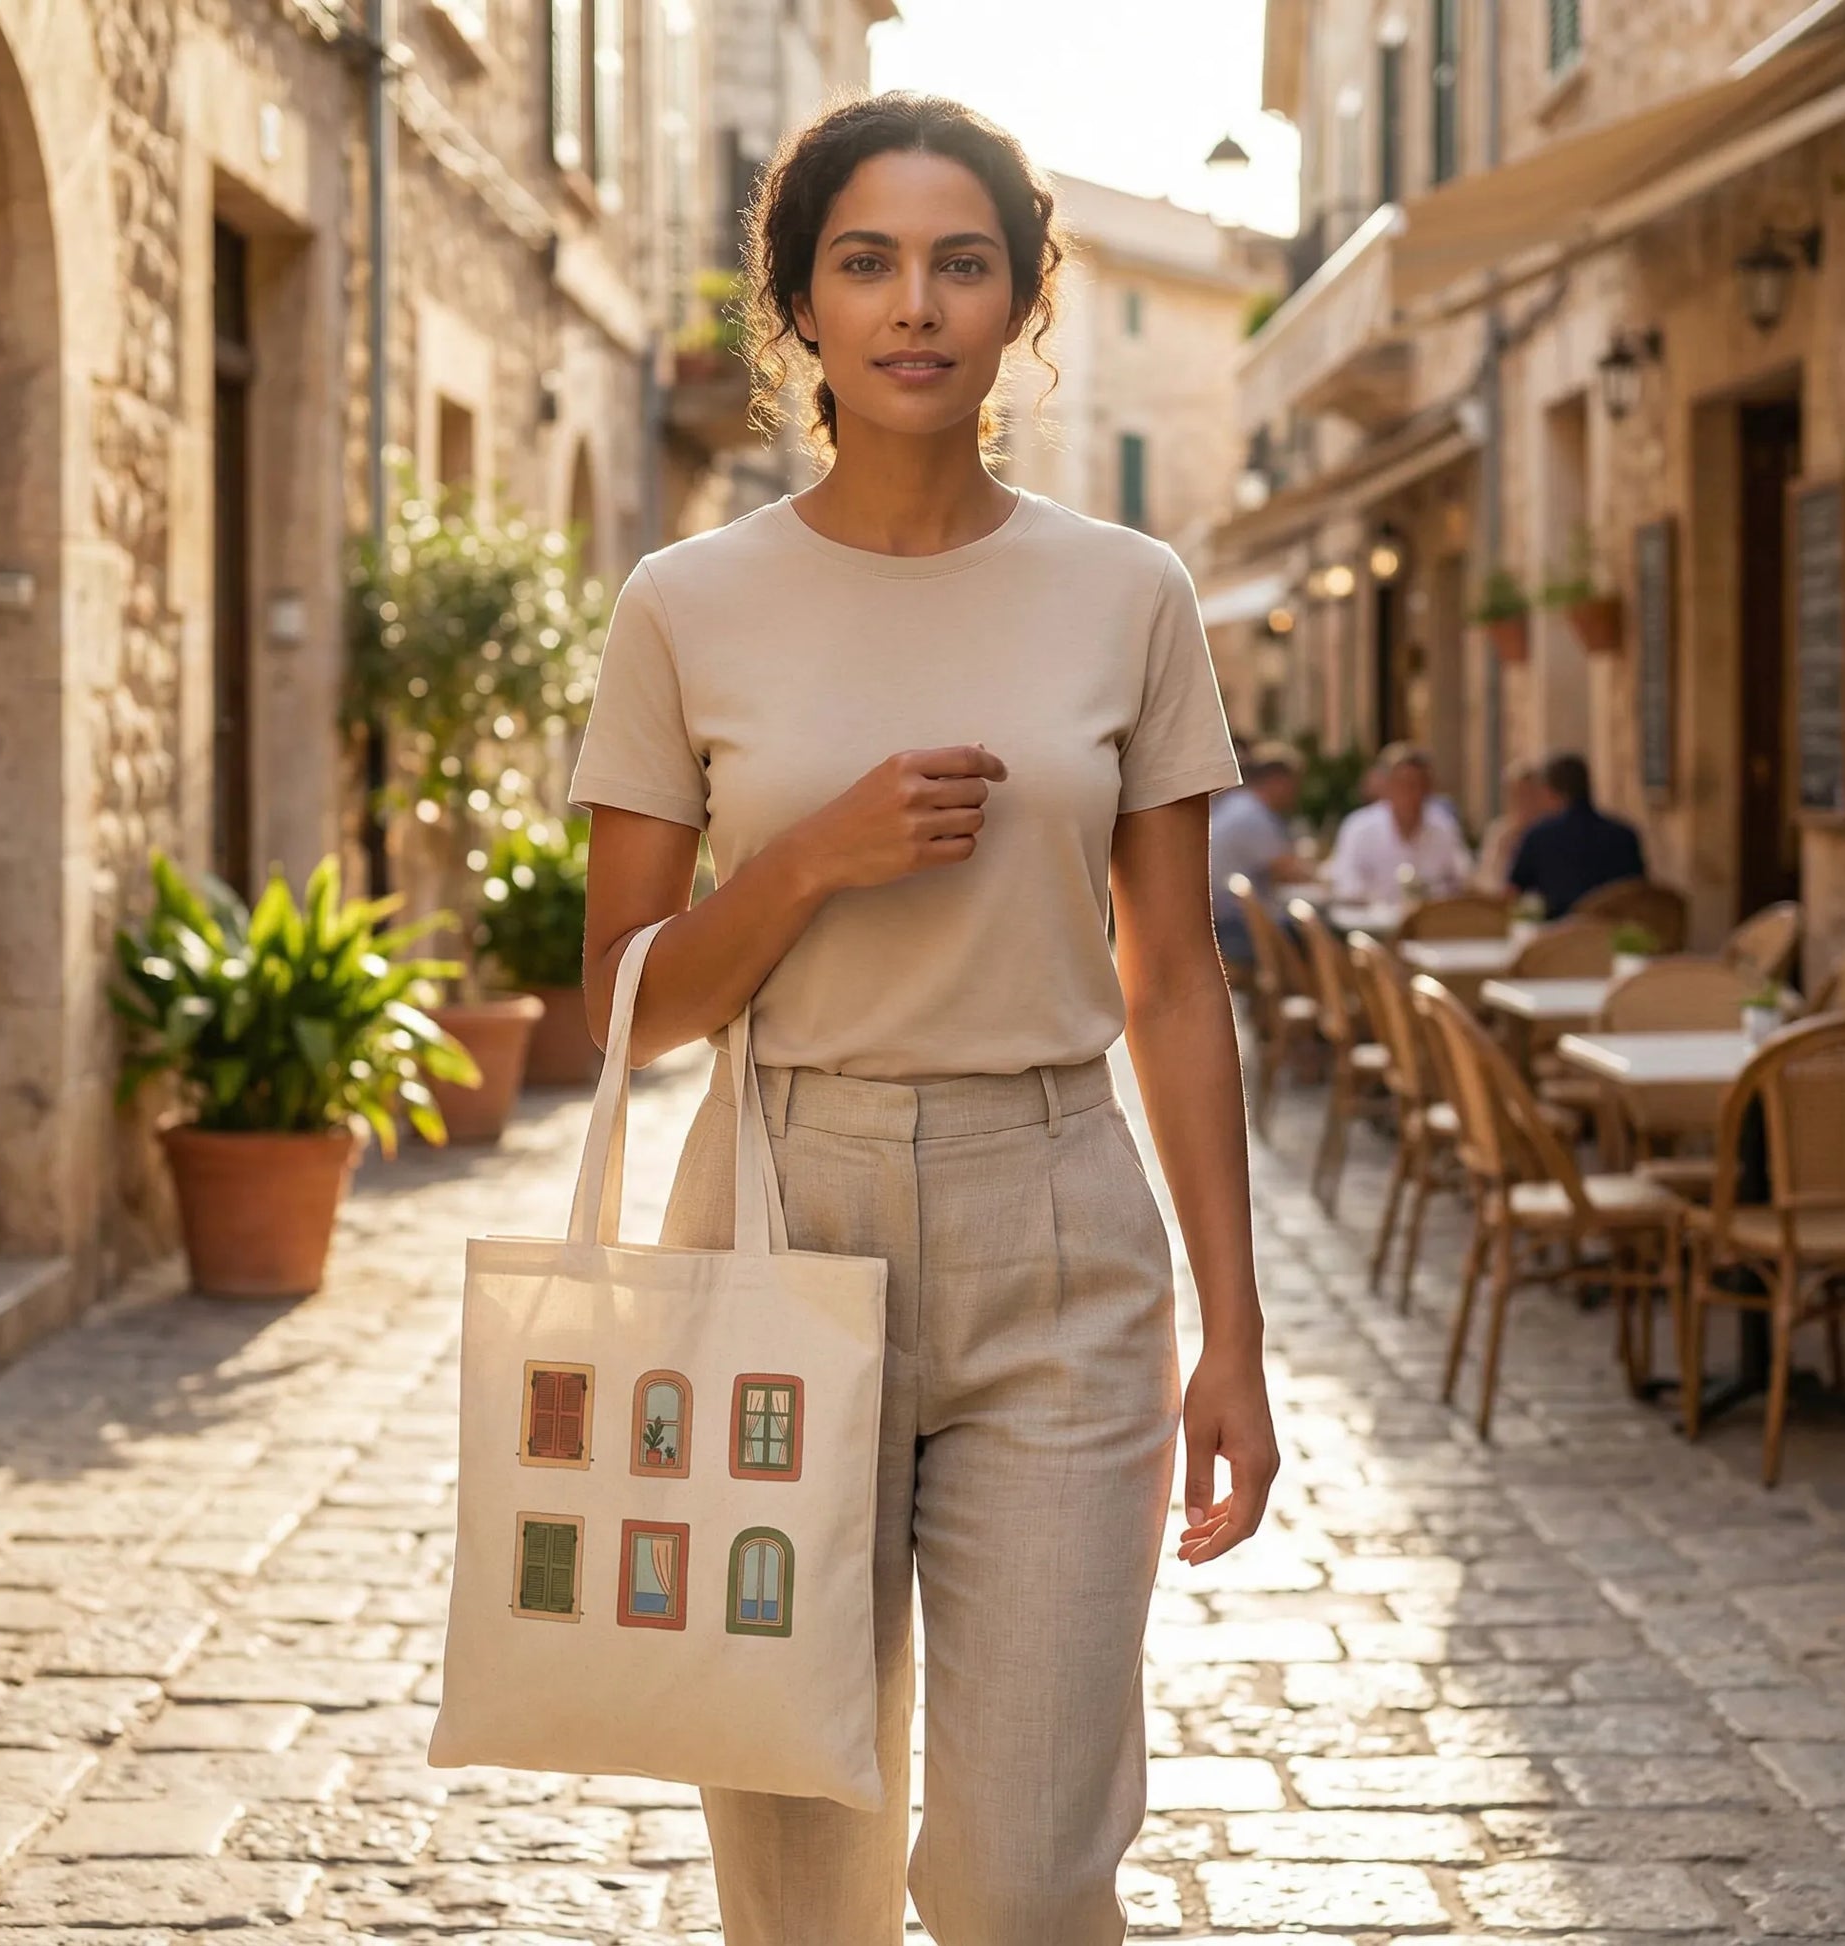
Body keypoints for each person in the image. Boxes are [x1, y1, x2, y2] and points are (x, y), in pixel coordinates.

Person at [566, 95, 1277, 1946]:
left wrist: (1237, 1338)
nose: (914, 304)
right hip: (771, 1216)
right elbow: (623, 1010)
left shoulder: (1133, 593)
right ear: (798, 306)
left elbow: (1176, 979)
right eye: (864, 261)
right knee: (797, 1876)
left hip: (1054, 1222)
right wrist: (806, 863)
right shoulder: (683, 603)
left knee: (1030, 1876)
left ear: (1025, 302)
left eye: (963, 262)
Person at [1325, 742, 1474, 903]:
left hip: (1428, 922)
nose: (1412, 794)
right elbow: (1346, 885)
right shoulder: (1359, 828)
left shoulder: (1443, 827)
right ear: (1388, 786)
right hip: (1371, 924)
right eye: (1404, 784)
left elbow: (1464, 879)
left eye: (1419, 785)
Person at [1509, 750, 1646, 918]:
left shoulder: (1538, 836)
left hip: (1559, 938)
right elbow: (1639, 891)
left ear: (1549, 791)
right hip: (1614, 936)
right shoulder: (1624, 835)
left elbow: (1513, 891)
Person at [1208, 741, 1308, 968]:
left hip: (1219, 920)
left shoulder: (1236, 804)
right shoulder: (1254, 816)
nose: (1296, 792)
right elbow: (1289, 871)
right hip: (1233, 928)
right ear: (1278, 782)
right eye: (1294, 784)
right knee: (1315, 940)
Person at [1475, 759, 1550, 894]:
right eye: (1518, 794)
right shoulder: (1499, 832)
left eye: (1530, 794)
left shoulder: (1549, 832)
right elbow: (1485, 878)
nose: (1525, 801)